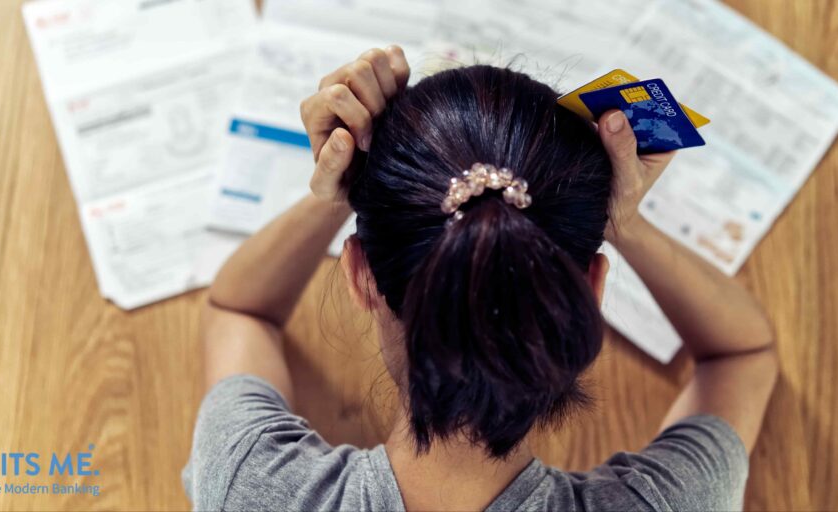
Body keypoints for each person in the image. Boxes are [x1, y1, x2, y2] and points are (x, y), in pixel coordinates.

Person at [183, 46, 778, 511]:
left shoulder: (249, 487)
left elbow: (241, 309)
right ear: (591, 288)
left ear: (359, 274)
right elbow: (741, 353)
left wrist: (336, 189)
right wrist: (626, 222)